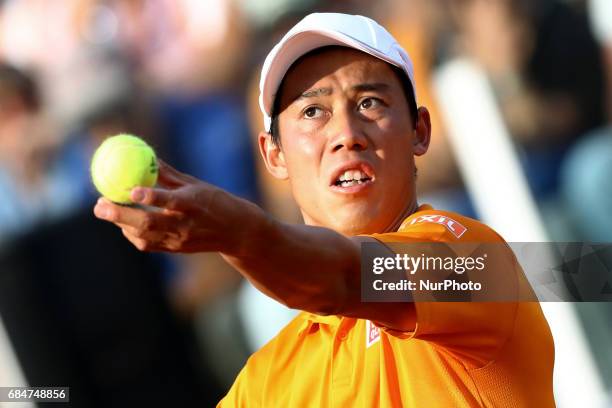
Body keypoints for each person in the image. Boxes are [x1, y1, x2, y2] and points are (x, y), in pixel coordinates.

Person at [93, 13, 555, 407]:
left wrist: (237, 235)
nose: (346, 133)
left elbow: (345, 275)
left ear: (419, 131)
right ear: (273, 155)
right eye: (313, 112)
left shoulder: (477, 262)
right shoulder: (265, 383)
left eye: (369, 103)